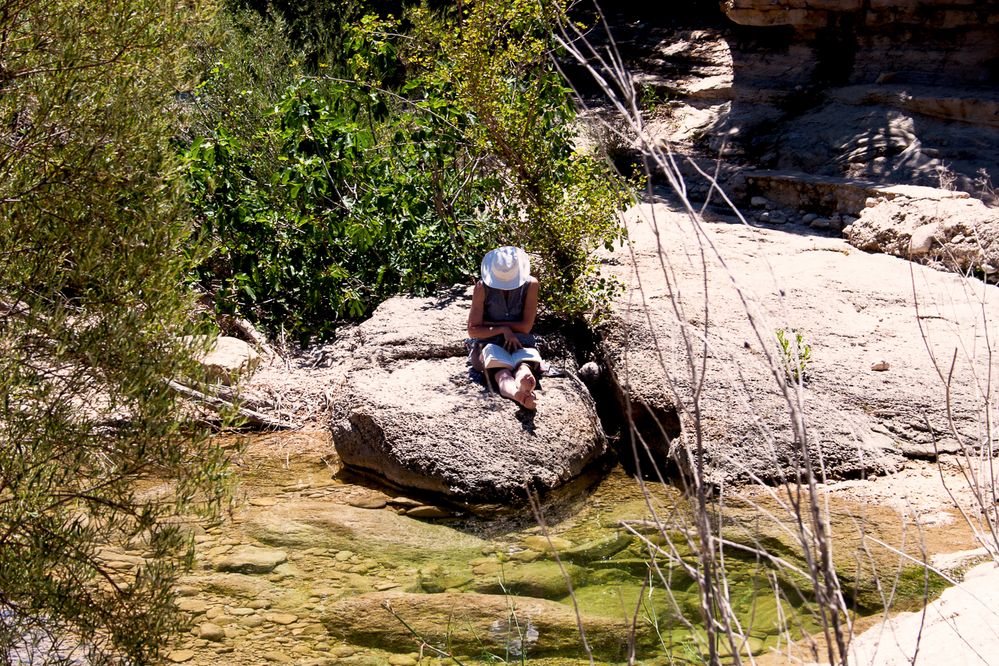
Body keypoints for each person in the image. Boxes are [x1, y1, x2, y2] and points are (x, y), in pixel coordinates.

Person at [467, 246, 541, 410]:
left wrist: (488, 325)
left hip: (520, 341)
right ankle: (519, 394)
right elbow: (472, 331)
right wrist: (504, 330)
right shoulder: (482, 287)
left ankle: (523, 383)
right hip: (488, 344)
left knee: (521, 365)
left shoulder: (531, 285)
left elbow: (526, 327)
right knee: (500, 370)